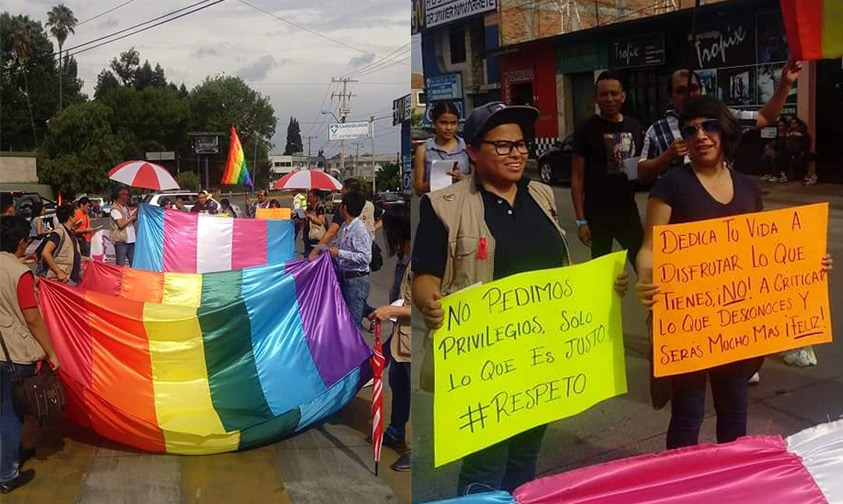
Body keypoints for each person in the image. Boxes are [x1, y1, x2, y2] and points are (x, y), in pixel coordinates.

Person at [412, 102, 628, 495]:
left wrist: (603, 288)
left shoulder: (541, 195)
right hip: (482, 362)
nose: (517, 153)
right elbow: (425, 276)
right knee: (485, 462)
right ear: (474, 151)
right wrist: (430, 301)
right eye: (503, 145)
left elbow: (561, 274)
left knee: (525, 455)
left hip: (539, 356)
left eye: (521, 144)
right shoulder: (443, 206)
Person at [635, 95, 833, 449]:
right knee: (688, 414)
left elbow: (764, 253)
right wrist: (646, 281)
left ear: (723, 131)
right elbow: (649, 248)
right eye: (690, 129)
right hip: (689, 322)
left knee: (734, 411)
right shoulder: (671, 186)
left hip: (736, 323)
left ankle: (731, 482)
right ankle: (683, 486)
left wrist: (808, 263)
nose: (701, 136)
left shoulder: (747, 187)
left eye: (709, 126)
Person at [638, 62, 802, 181]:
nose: (688, 95)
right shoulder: (656, 130)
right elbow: (641, 174)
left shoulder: (721, 114)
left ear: (701, 90)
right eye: (681, 91)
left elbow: (765, 117)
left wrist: (785, 84)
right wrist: (667, 157)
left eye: (693, 89)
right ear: (670, 97)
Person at [0, 216, 61, 494]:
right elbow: (33, 318)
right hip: (12, 354)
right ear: (22, 242)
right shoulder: (19, 273)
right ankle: (7, 473)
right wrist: (51, 352)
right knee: (12, 415)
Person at [571, 70, 644, 268]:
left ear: (623, 96)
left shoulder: (635, 127)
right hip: (597, 216)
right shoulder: (585, 129)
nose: (609, 99)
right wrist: (581, 221)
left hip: (628, 212)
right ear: (596, 98)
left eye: (614, 93)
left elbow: (639, 170)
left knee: (644, 266)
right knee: (601, 274)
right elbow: (577, 178)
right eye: (604, 94)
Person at [367, 204, 412, 472]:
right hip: (399, 335)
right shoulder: (404, 255)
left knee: (411, 388)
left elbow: (425, 305)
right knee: (397, 383)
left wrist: (391, 310)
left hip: (413, 338)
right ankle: (396, 430)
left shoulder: (419, 259)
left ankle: (416, 452)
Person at [329, 192, 373, 331]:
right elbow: (340, 246)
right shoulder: (344, 228)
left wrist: (340, 253)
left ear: (345, 208)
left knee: (353, 326)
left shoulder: (359, 230)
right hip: (345, 278)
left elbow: (365, 257)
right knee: (345, 322)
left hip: (357, 281)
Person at [413, 101, 470, 196]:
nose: (448, 127)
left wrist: (462, 178)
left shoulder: (467, 147)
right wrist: (437, 179)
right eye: (443, 123)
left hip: (463, 203)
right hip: (436, 205)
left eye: (453, 123)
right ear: (434, 123)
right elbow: (418, 190)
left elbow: (479, 181)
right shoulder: (424, 150)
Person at [308, 178, 369, 261]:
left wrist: (315, 252)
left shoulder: (358, 227)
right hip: (348, 260)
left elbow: (331, 231)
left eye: (343, 188)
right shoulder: (368, 204)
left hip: (355, 264)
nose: (341, 190)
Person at [42, 204, 82, 285]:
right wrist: (59, 272)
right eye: (75, 215)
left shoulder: (70, 232)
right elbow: (46, 252)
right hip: (63, 279)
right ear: (70, 217)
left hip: (72, 277)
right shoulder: (59, 232)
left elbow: (70, 253)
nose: (76, 217)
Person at [110, 188, 137, 267]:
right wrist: (131, 218)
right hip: (121, 242)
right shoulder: (115, 209)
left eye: (127, 194)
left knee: (134, 264)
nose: (126, 196)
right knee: (120, 266)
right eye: (124, 194)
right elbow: (120, 225)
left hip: (131, 240)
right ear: (118, 196)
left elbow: (129, 221)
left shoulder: (126, 207)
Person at [784, 117, 814, 186]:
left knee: (801, 161)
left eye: (795, 123)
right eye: (791, 123)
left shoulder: (803, 133)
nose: (793, 125)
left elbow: (807, 143)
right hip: (790, 152)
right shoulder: (789, 132)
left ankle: (806, 177)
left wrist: (803, 151)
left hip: (800, 152)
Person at [760, 118, 788, 182]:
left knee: (775, 156)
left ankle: (776, 175)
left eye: (782, 126)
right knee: (765, 155)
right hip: (776, 150)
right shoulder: (777, 134)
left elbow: (784, 146)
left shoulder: (788, 134)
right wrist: (769, 147)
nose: (780, 127)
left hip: (784, 151)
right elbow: (774, 143)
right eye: (779, 126)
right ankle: (768, 173)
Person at [303, 190, 325, 258]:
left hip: (316, 236)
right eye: (308, 197)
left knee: (316, 256)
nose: (309, 198)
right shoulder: (309, 207)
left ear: (316, 197)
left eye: (311, 197)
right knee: (307, 256)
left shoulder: (319, 207)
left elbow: (320, 222)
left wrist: (311, 217)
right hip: (308, 235)